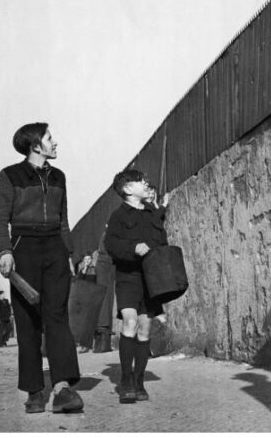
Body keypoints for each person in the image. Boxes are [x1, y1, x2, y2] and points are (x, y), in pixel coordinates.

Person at [0, 123, 83, 413]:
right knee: (28, 320)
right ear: (35, 146)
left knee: (56, 317)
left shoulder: (59, 177)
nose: (55, 143)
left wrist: (68, 253)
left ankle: (62, 388)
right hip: (24, 250)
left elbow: (64, 220)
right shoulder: (10, 175)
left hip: (55, 248)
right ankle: (34, 391)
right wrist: (5, 251)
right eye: (49, 138)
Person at [104, 170, 169, 404]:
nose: (146, 183)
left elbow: (161, 241)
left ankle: (139, 381)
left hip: (150, 279)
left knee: (144, 328)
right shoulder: (118, 216)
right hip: (128, 277)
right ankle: (126, 381)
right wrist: (133, 247)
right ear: (128, 189)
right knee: (130, 321)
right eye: (141, 181)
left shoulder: (151, 213)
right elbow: (111, 244)